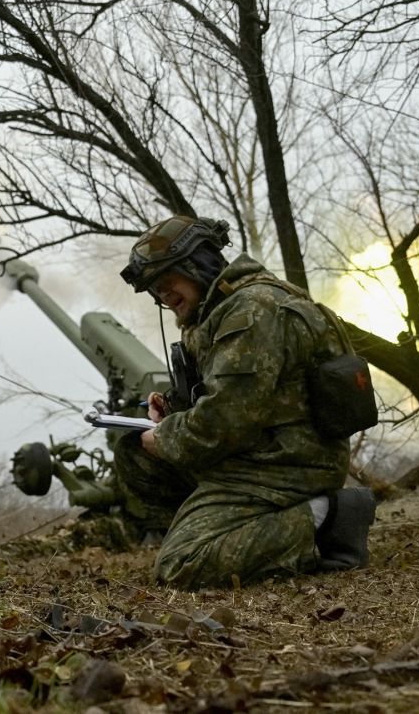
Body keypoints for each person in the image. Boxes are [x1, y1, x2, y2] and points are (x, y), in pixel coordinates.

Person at [115, 215, 375, 590]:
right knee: (136, 456)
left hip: (288, 466)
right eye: (155, 289)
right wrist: (172, 413)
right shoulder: (221, 309)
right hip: (261, 452)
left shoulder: (252, 310)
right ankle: (226, 526)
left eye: (167, 280)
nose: (162, 295)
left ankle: (325, 517)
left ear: (197, 265)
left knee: (181, 564)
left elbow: (226, 420)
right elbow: (235, 398)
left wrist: (168, 435)